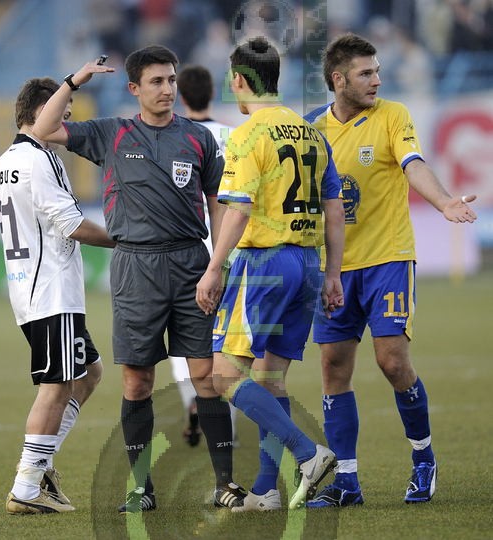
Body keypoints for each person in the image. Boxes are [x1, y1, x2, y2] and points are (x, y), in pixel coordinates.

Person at [32, 45, 246, 512]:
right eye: (156, 81)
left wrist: (217, 265)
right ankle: (141, 488)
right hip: (135, 267)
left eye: (171, 80)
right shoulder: (111, 133)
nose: (167, 89)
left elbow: (218, 205)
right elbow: (43, 129)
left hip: (191, 265)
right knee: (137, 382)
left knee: (205, 376)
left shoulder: (197, 138)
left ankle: (225, 484)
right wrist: (74, 81)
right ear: (134, 88)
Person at [304, 33, 478, 508]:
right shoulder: (313, 128)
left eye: (377, 71)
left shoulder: (393, 115)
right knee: (333, 367)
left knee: (392, 362)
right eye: (366, 73)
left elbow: (412, 164)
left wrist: (444, 202)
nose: (377, 80)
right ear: (339, 79)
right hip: (335, 267)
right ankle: (347, 482)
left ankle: (423, 458)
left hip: (388, 259)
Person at [196, 36, 346, 511]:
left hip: (265, 264)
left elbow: (237, 210)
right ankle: (265, 492)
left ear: (240, 80)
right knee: (270, 379)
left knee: (224, 376)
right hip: (307, 265)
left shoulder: (248, 136)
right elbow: (335, 208)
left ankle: (308, 453)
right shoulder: (311, 133)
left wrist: (214, 267)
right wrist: (333, 274)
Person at [0, 77, 115, 514]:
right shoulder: (38, 160)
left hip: (32, 288)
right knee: (58, 384)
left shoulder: (8, 159)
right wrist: (127, 240)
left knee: (88, 373)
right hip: (50, 290)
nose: (67, 119)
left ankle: (40, 463)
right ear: (38, 113)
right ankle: (27, 486)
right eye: (61, 111)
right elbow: (72, 225)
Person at [174, 64, 237, 448]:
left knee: (185, 334)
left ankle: (193, 400)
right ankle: (226, 423)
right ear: (212, 93)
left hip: (190, 249)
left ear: (180, 95)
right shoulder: (232, 136)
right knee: (230, 340)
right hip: (230, 248)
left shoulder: (176, 137)